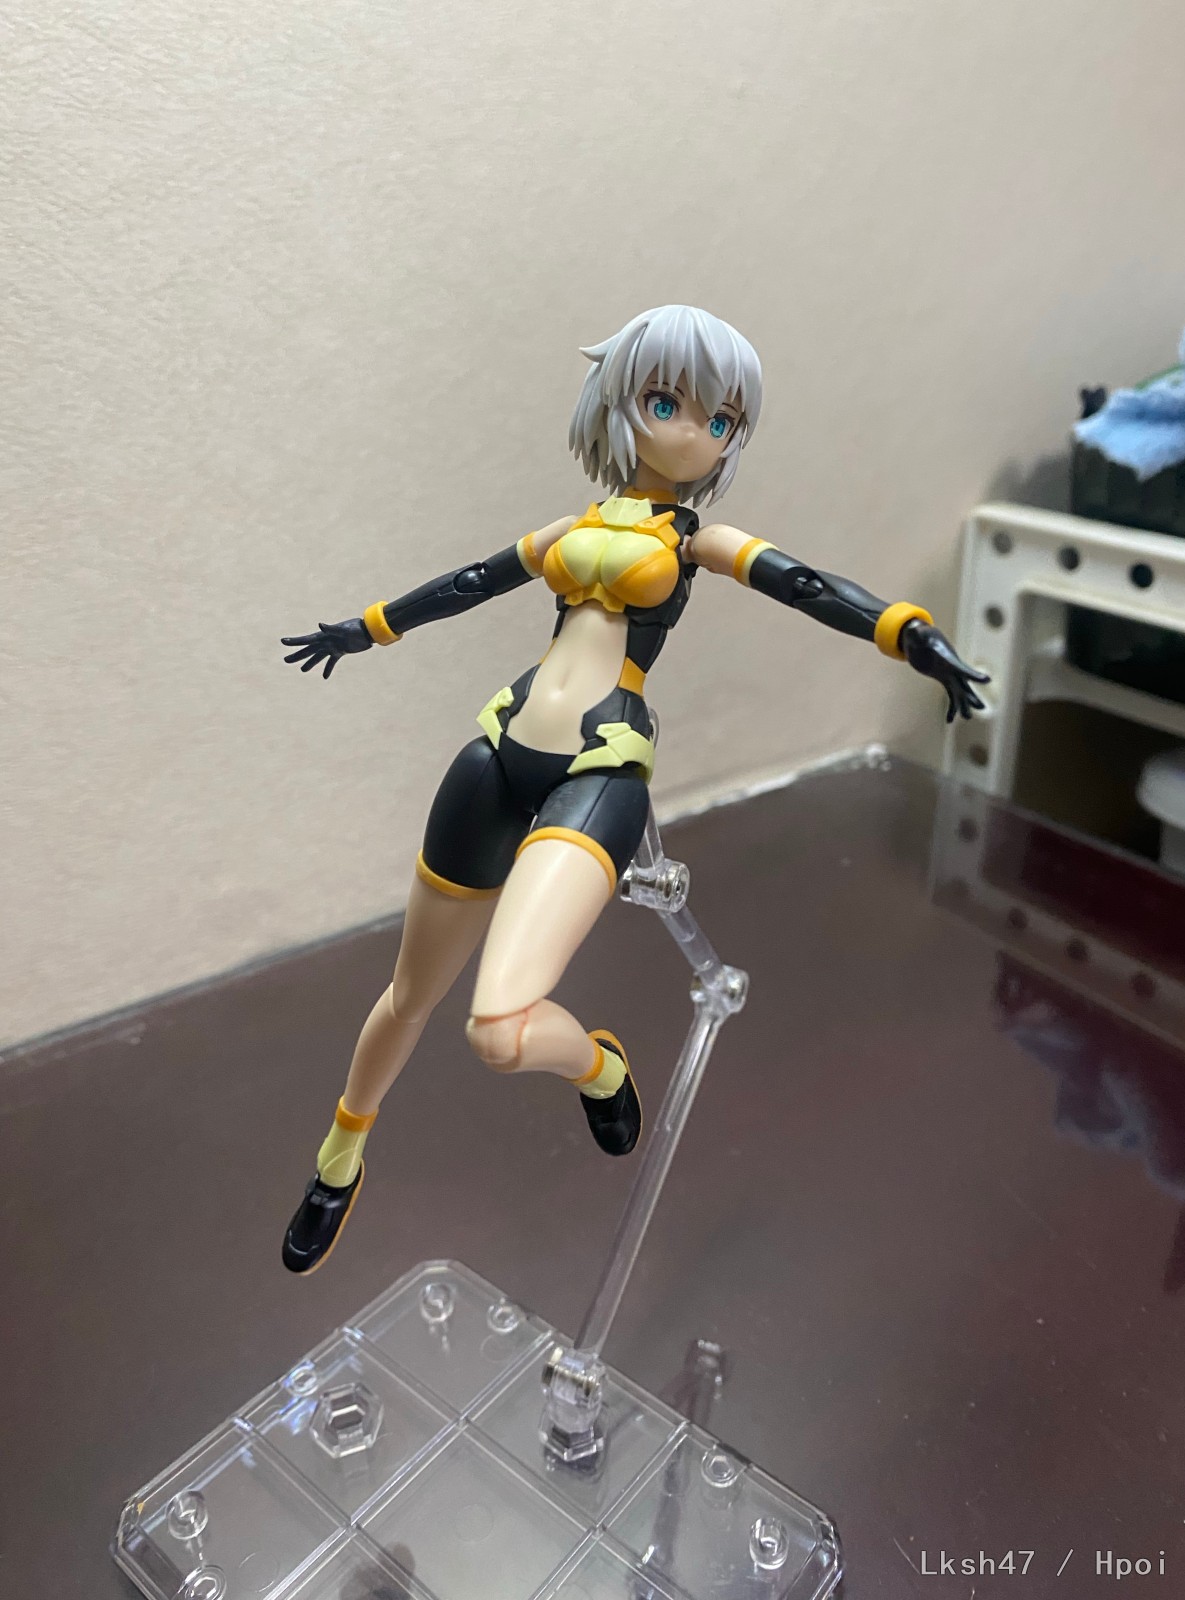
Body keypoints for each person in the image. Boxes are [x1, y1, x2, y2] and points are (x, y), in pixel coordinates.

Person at [279, 304, 987, 1273]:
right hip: (501, 747)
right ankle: (340, 1156)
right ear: (619, 400)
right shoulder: (569, 529)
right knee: (409, 993)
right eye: (667, 403)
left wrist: (909, 632)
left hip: (599, 764)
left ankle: (598, 1064)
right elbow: (469, 580)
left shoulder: (697, 540)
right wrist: (364, 629)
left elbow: (807, 585)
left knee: (496, 1029)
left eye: (721, 420)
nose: (694, 432)